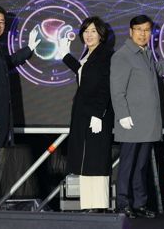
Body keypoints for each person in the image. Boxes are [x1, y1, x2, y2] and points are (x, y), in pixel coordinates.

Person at [110, 14, 164, 218]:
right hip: (131, 121)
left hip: (147, 122)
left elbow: (156, 69)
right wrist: (123, 115)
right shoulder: (122, 56)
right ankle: (123, 203)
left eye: (147, 30)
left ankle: (139, 204)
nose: (143, 34)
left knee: (141, 166)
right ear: (130, 32)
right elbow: (116, 90)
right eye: (139, 30)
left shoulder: (145, 53)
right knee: (128, 165)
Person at [0, 5, 40, 210]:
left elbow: (8, 62)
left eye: (1, 22)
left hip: (3, 118)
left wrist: (29, 49)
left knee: (0, 161)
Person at [58, 16, 114, 212]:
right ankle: (89, 204)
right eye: (85, 31)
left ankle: (98, 204)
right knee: (85, 159)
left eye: (93, 31)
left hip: (97, 114)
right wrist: (66, 55)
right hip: (84, 113)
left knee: (96, 159)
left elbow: (105, 85)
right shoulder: (89, 55)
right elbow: (84, 73)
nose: (88, 35)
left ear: (101, 34)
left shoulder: (105, 55)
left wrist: (98, 114)